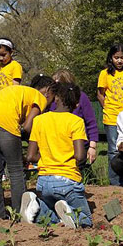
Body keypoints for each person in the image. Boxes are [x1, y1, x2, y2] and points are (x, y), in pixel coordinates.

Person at [0, 74, 55, 218]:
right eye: (53, 97)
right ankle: (21, 213)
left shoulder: (21, 91)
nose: (50, 103)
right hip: (4, 120)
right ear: (48, 90)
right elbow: (28, 127)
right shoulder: (40, 97)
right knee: (16, 169)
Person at [21, 82, 93, 229]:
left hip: (44, 182)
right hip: (67, 181)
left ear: (56, 99)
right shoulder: (76, 121)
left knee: (50, 214)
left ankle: (37, 209)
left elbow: (30, 156)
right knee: (86, 220)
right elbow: (80, 156)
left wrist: (49, 158)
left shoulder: (39, 120)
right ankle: (70, 212)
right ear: (77, 104)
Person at [97, 44, 123, 186]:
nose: (119, 61)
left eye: (122, 57)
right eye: (116, 58)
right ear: (111, 58)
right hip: (112, 117)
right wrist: (108, 108)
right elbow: (100, 94)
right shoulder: (105, 73)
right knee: (113, 150)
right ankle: (114, 182)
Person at [51, 70, 99, 165]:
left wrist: (92, 146)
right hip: (57, 145)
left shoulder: (82, 97)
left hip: (79, 144)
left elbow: (91, 122)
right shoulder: (52, 100)